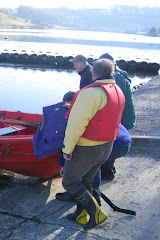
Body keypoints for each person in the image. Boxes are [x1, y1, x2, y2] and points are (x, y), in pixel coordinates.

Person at [61, 59, 125, 231]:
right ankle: (81, 213)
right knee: (86, 181)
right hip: (107, 146)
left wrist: (67, 149)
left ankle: (96, 214)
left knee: (70, 183)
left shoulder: (90, 93)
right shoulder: (118, 91)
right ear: (112, 73)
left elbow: (76, 124)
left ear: (94, 73)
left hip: (87, 147)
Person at [99, 53, 136, 130]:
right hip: (124, 118)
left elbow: (114, 101)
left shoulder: (116, 78)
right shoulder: (117, 74)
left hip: (123, 120)